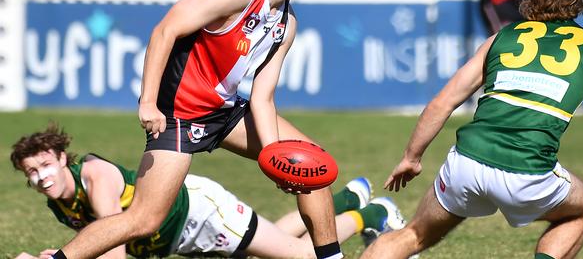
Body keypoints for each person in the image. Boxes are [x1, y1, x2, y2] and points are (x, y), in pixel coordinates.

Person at [46, 0, 344, 259]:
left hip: (224, 112)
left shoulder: (286, 23)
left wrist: (275, 158)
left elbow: (262, 99)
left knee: (314, 167)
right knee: (143, 219)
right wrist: (148, 102)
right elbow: (165, 31)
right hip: (180, 115)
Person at [361, 0, 583, 259]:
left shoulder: (501, 37)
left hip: (467, 165)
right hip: (528, 176)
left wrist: (412, 157)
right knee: (582, 209)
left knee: (414, 235)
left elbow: (442, 102)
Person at [11, 125, 407, 259]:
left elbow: (113, 249)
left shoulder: (94, 178)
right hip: (181, 233)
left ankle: (373, 215)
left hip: (201, 214)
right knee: (274, 238)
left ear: (63, 157)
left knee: (302, 255)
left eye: (45, 165)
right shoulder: (59, 202)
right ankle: (349, 199)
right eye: (32, 172)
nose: (42, 177)